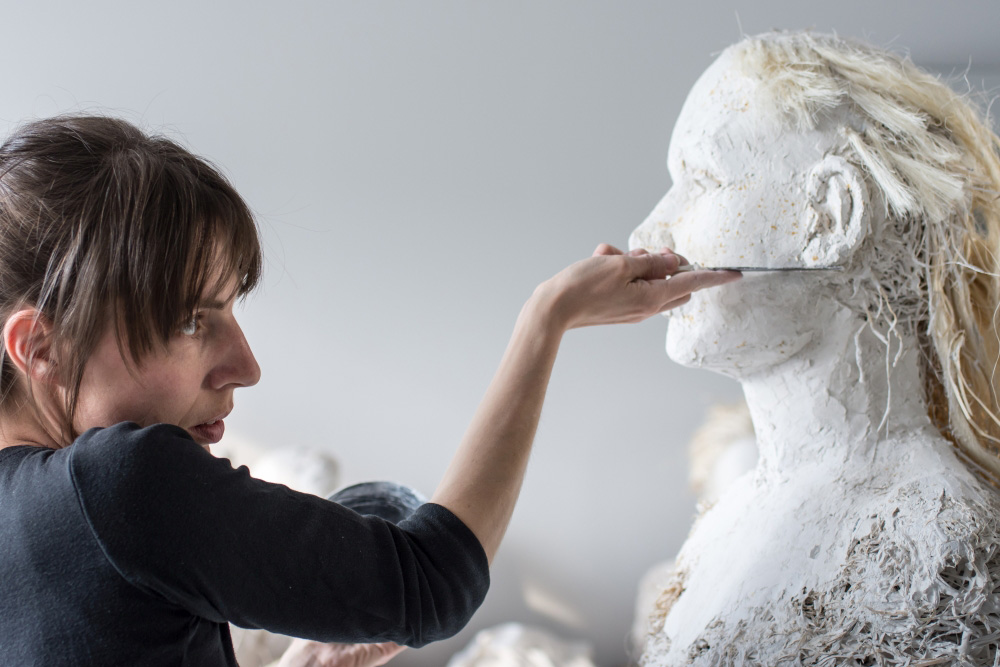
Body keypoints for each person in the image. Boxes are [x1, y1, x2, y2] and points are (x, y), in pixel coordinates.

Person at [0, 115, 740, 667]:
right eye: (191, 320)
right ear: (41, 348)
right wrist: (547, 320)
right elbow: (434, 581)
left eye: (230, 309)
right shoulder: (118, 483)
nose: (244, 364)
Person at [628, 31, 1000, 664]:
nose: (647, 230)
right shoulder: (726, 520)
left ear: (831, 216)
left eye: (701, 179)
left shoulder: (942, 550)